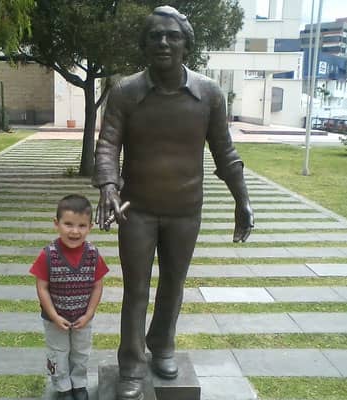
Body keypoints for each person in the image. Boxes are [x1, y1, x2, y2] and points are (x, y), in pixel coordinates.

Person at [93, 5, 254, 400]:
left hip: (185, 209)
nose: (163, 42)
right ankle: (131, 364)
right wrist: (108, 185)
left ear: (186, 44)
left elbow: (225, 152)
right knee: (135, 289)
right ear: (144, 44)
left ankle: (163, 346)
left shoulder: (208, 94)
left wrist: (242, 200)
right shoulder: (125, 92)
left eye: (172, 35)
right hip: (135, 209)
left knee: (173, 284)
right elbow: (108, 143)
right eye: (155, 36)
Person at [30, 194, 109, 400]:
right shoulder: (48, 254)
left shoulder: (93, 254)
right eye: (68, 224)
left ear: (90, 227)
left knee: (81, 352)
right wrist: (54, 316)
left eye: (82, 225)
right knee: (58, 352)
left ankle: (79, 384)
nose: (75, 231)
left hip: (83, 318)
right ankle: (62, 386)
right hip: (55, 319)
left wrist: (89, 314)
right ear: (56, 224)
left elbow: (97, 286)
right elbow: (42, 287)